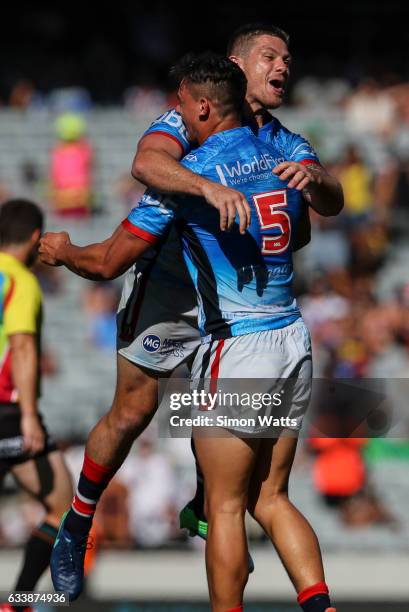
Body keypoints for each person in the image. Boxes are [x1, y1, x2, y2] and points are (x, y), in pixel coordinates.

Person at [42, 22, 342, 600]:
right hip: (174, 288)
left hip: (236, 308)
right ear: (237, 65)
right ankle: (76, 524)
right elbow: (146, 163)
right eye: (270, 56)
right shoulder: (185, 116)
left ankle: (210, 508)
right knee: (133, 412)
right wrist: (206, 189)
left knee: (230, 452)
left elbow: (323, 209)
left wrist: (319, 180)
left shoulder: (284, 141)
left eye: (287, 57)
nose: (283, 67)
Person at [0, 199, 73, 612]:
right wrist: (29, 415)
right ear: (33, 238)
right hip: (8, 412)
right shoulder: (20, 282)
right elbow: (22, 345)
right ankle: (20, 602)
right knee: (64, 508)